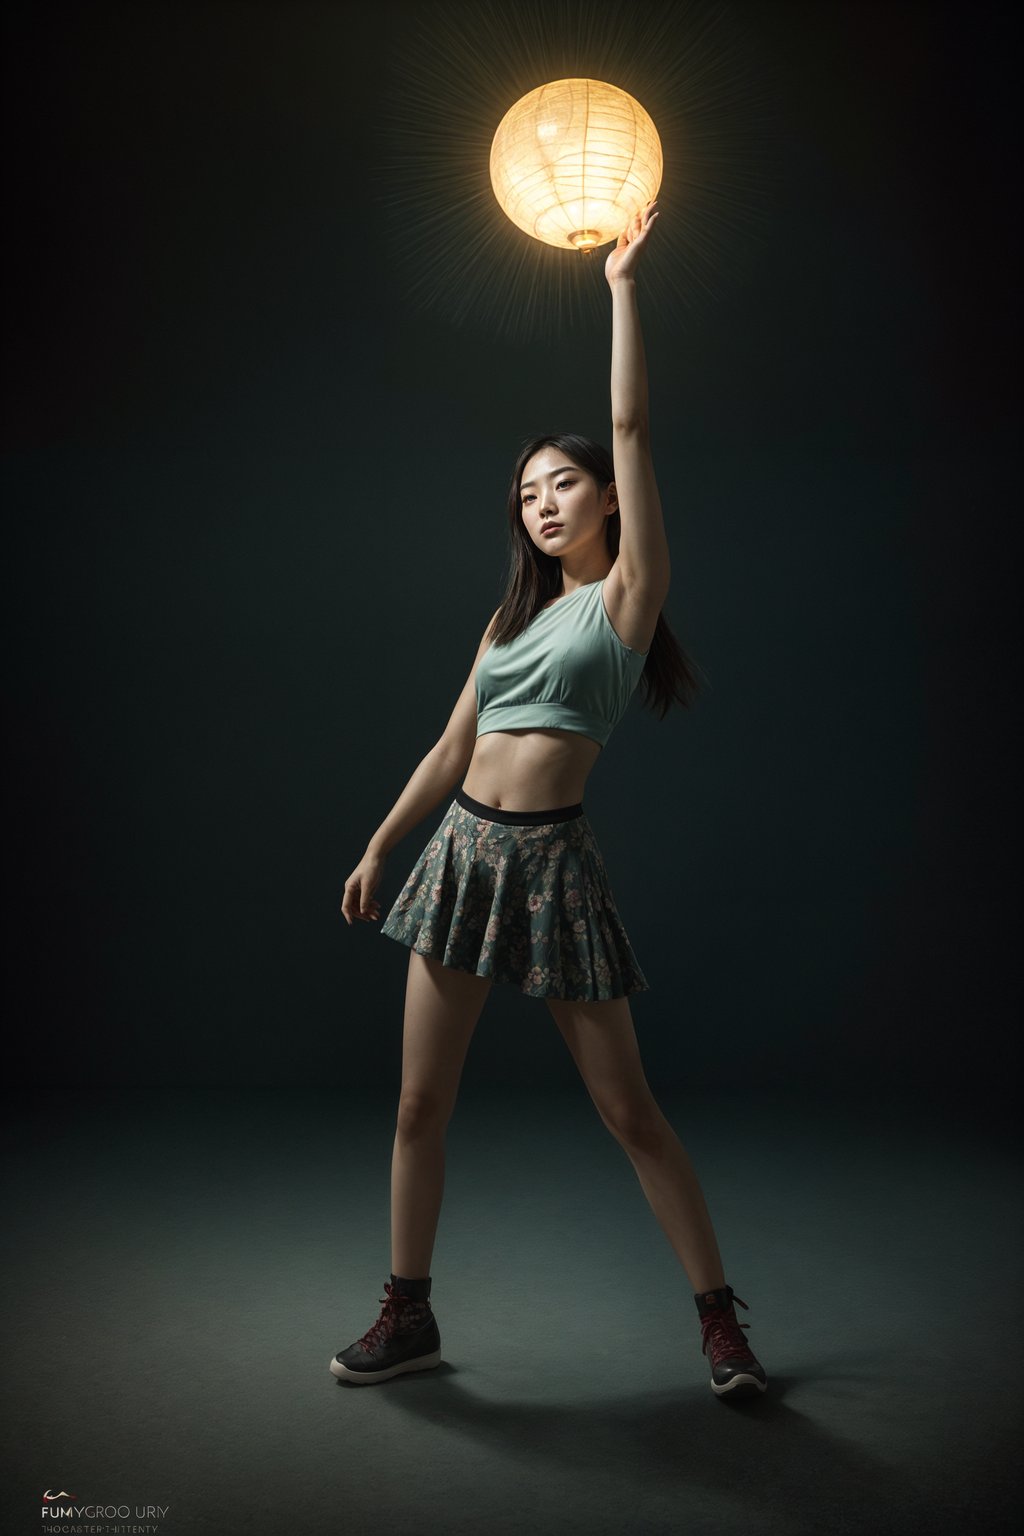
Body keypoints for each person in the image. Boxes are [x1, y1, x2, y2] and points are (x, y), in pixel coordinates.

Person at [332, 199, 768, 1399]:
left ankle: (721, 1325)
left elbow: (629, 417)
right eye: (527, 491)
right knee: (421, 1104)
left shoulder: (626, 599)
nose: (543, 502)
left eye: (563, 483)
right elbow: (449, 745)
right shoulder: (506, 620)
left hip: (552, 864)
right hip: (460, 857)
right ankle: (406, 1315)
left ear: (606, 502)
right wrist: (381, 844)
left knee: (629, 1112)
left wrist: (621, 287)